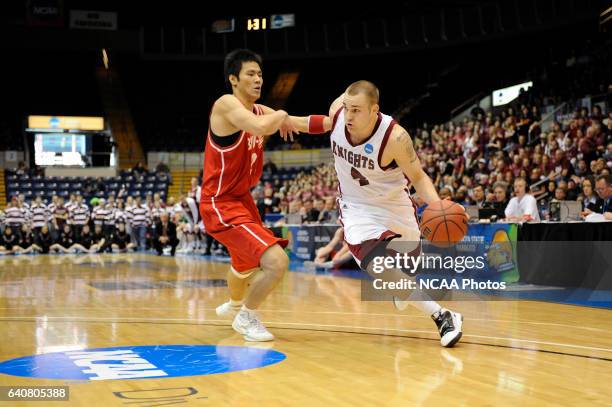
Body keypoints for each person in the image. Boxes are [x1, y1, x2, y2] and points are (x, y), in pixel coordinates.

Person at [293, 80, 464, 347]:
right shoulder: (339, 113)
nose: (349, 116)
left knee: (404, 274)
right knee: (377, 265)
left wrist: (438, 206)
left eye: (357, 110)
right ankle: (443, 315)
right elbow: (321, 122)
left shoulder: (395, 137)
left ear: (375, 110)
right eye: (347, 108)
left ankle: (403, 285)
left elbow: (418, 177)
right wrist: (286, 121)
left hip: (395, 207)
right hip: (357, 208)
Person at [200, 49, 300, 342]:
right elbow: (264, 125)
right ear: (233, 79)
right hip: (219, 202)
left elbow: (297, 123)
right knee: (277, 262)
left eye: (260, 74)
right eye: (251, 74)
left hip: (241, 199)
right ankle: (246, 316)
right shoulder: (226, 104)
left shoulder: (259, 110)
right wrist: (281, 114)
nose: (258, 79)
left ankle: (233, 306)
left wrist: (342, 123)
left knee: (243, 266)